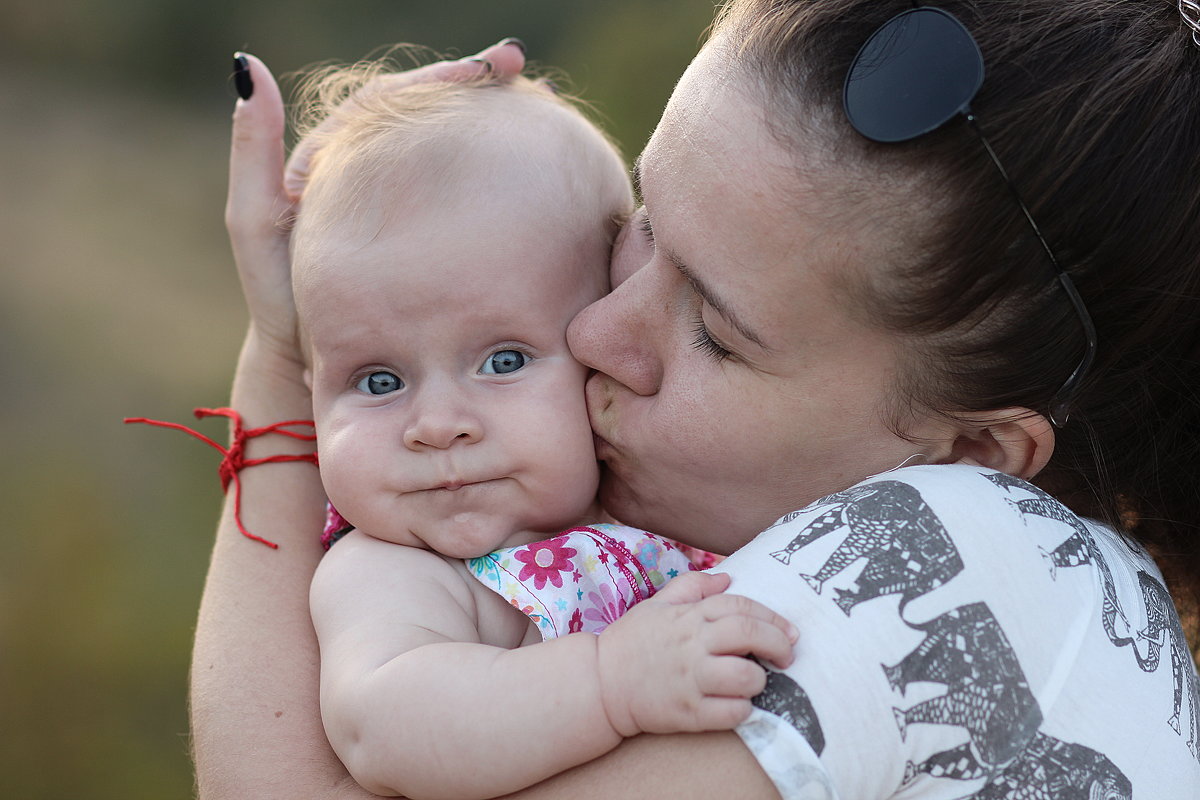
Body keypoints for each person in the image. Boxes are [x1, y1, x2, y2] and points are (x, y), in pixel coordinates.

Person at [194, 0, 1200, 797]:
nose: (592, 333)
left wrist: (284, 351)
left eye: (715, 332)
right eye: (640, 226)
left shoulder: (964, 553)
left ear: (976, 448)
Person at [289, 67, 796, 799]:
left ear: (600, 342)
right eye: (378, 381)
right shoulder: (396, 569)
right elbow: (385, 724)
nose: (435, 427)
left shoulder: (657, 492)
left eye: (502, 361)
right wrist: (610, 681)